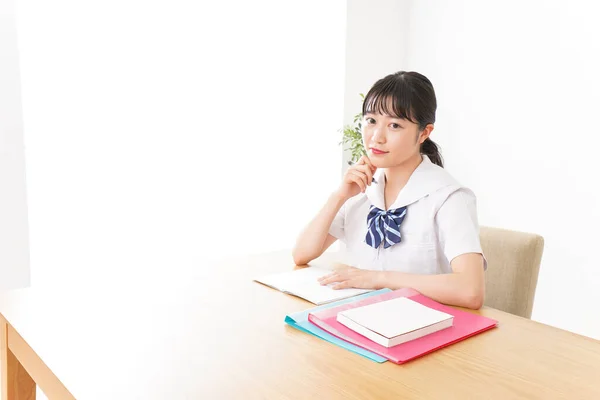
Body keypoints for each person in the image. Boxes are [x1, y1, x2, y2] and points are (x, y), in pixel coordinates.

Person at [292, 71, 486, 309]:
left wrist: (378, 279)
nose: (376, 137)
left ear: (424, 133)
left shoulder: (447, 197)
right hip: (359, 316)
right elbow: (301, 254)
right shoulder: (362, 189)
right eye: (371, 121)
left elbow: (470, 291)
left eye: (394, 125)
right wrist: (339, 196)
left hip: (421, 325)